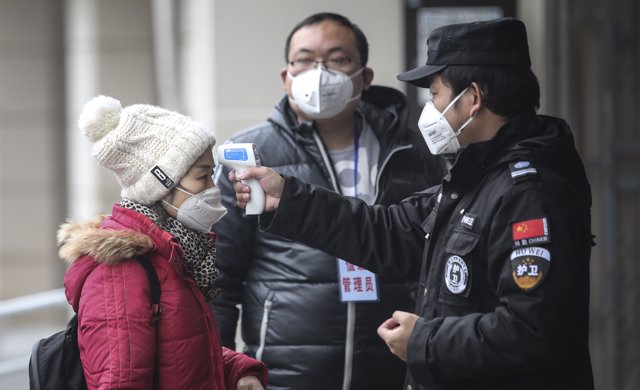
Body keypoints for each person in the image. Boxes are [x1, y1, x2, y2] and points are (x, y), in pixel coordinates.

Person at [227, 17, 595, 390]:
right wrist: (287, 198)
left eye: (435, 94)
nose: (430, 108)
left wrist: (423, 341)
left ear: (472, 98)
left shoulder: (529, 193)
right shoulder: (474, 176)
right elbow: (391, 231)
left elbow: (532, 330)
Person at [211, 12, 447, 390]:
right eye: (303, 60)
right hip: (284, 373)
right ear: (286, 77)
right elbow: (219, 279)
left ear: (364, 77)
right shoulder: (250, 155)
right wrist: (221, 370)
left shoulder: (414, 150)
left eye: (338, 60)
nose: (319, 73)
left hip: (395, 368)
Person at [60, 95, 268, 390]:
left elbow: (181, 355)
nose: (213, 188)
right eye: (203, 177)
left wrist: (238, 371)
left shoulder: (172, 256)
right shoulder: (121, 273)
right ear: (162, 184)